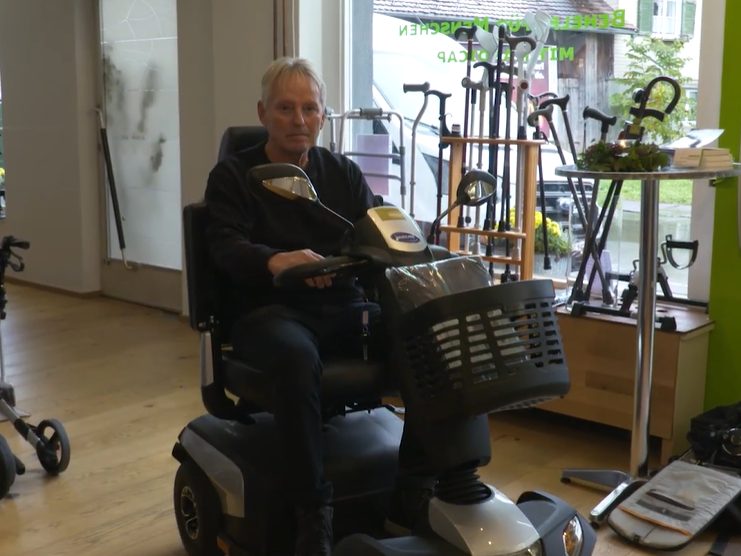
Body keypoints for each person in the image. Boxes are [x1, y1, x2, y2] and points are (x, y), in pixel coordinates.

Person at [204, 57, 378, 556]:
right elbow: (224, 247)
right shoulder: (234, 176)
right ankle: (313, 514)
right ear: (263, 113)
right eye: (285, 108)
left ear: (323, 115)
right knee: (295, 357)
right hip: (270, 313)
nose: (298, 120)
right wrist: (277, 260)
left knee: (421, 330)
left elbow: (373, 236)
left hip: (343, 308)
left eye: (309, 108)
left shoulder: (342, 173)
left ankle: (423, 482)